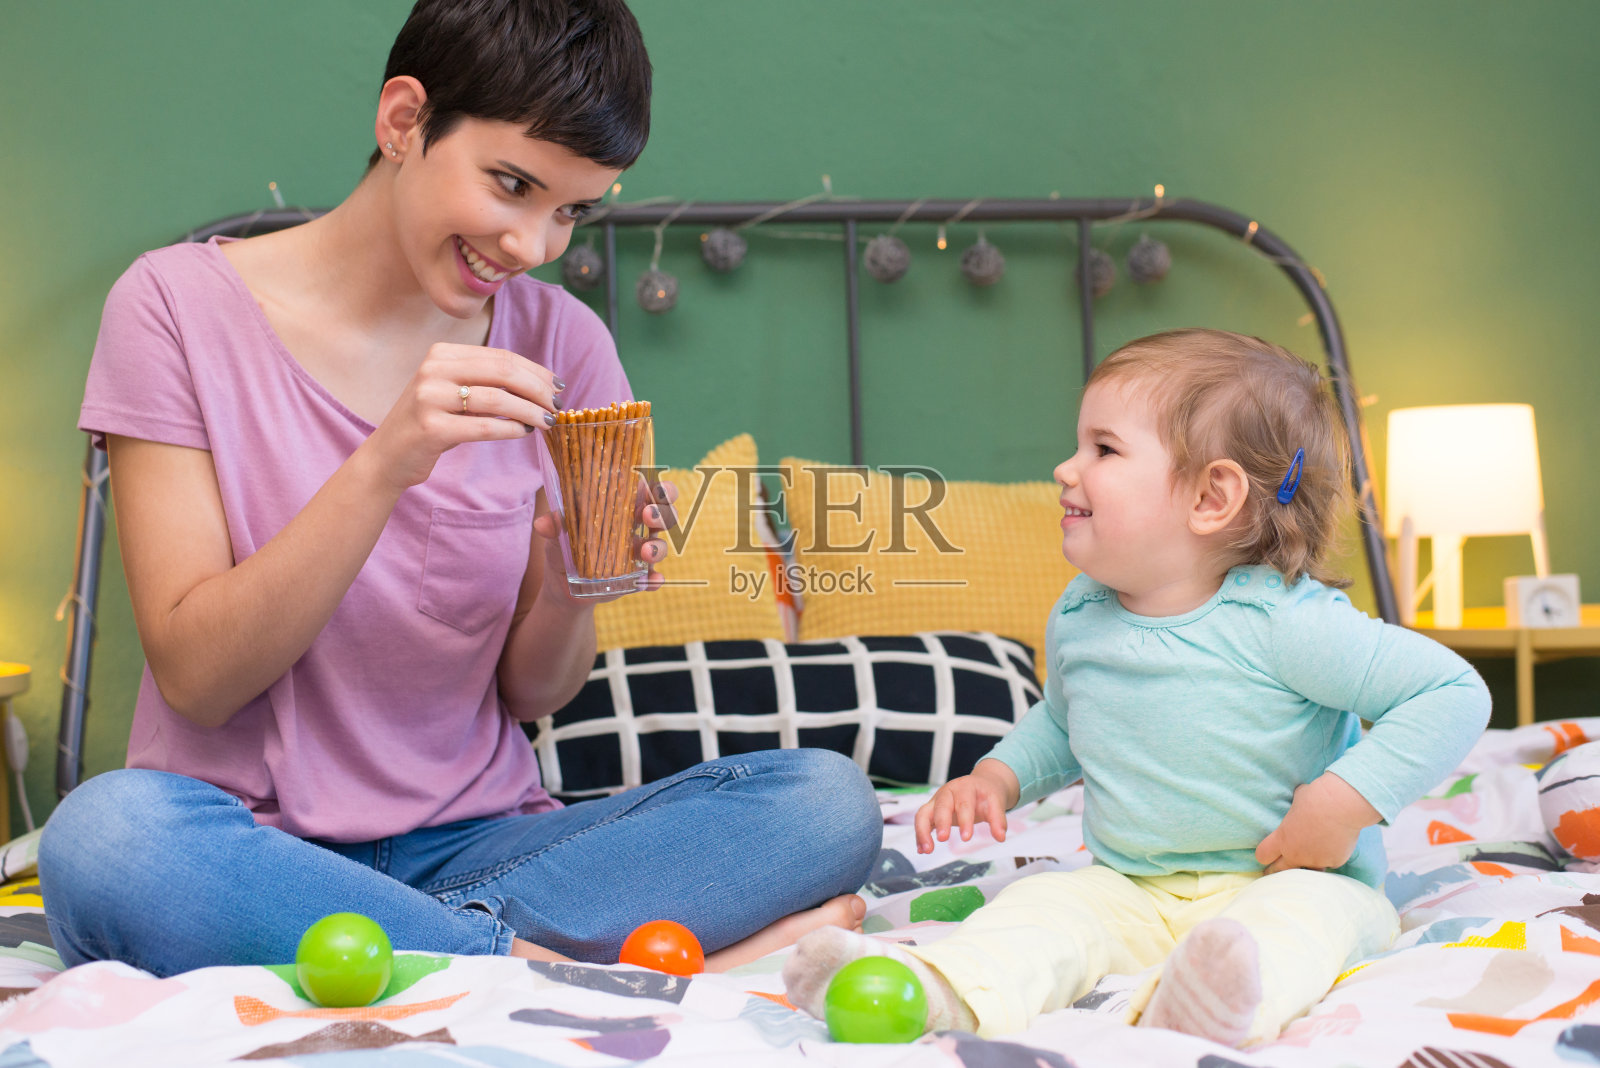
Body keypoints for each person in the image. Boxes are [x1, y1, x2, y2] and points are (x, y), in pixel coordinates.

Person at [41, 0, 880, 979]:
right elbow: (198, 676)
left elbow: (533, 694)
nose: (533, 245)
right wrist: (384, 462)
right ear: (403, 121)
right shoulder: (174, 307)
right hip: (241, 840)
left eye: (571, 209)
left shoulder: (567, 346)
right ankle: (549, 964)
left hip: (485, 844)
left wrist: (568, 582)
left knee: (825, 802)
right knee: (104, 840)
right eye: (512, 184)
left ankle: (417, 946)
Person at [783, 328, 1490, 1046]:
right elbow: (1065, 723)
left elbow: (1450, 693)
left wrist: (1344, 802)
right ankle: (936, 990)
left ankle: (1215, 1001)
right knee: (1043, 908)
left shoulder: (1284, 623)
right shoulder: (1082, 613)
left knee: (1297, 927)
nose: (1065, 468)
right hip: (1130, 887)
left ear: (1212, 496)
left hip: (1297, 877)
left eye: (1104, 449)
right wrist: (996, 778)